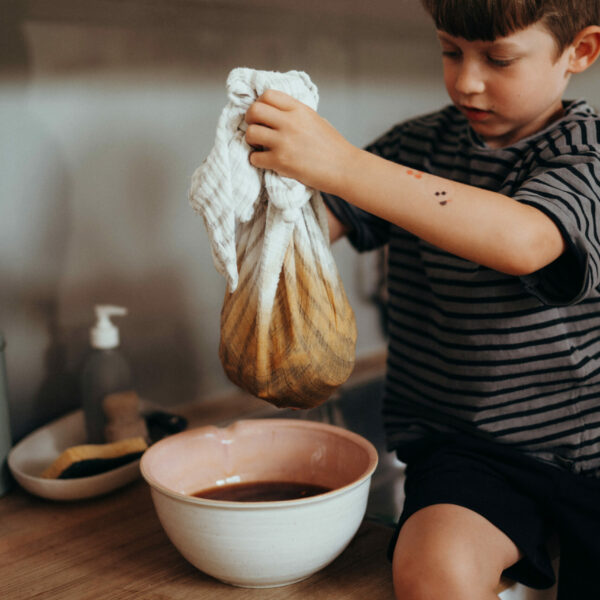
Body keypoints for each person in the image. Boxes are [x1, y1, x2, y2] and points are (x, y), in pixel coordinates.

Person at [243, 1, 600, 598]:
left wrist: (343, 164)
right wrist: (265, 183)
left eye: (499, 58)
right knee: (434, 575)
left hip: (592, 444)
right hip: (470, 451)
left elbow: (525, 240)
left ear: (580, 53)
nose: (466, 80)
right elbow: (315, 221)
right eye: (450, 50)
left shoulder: (586, 152)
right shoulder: (417, 146)